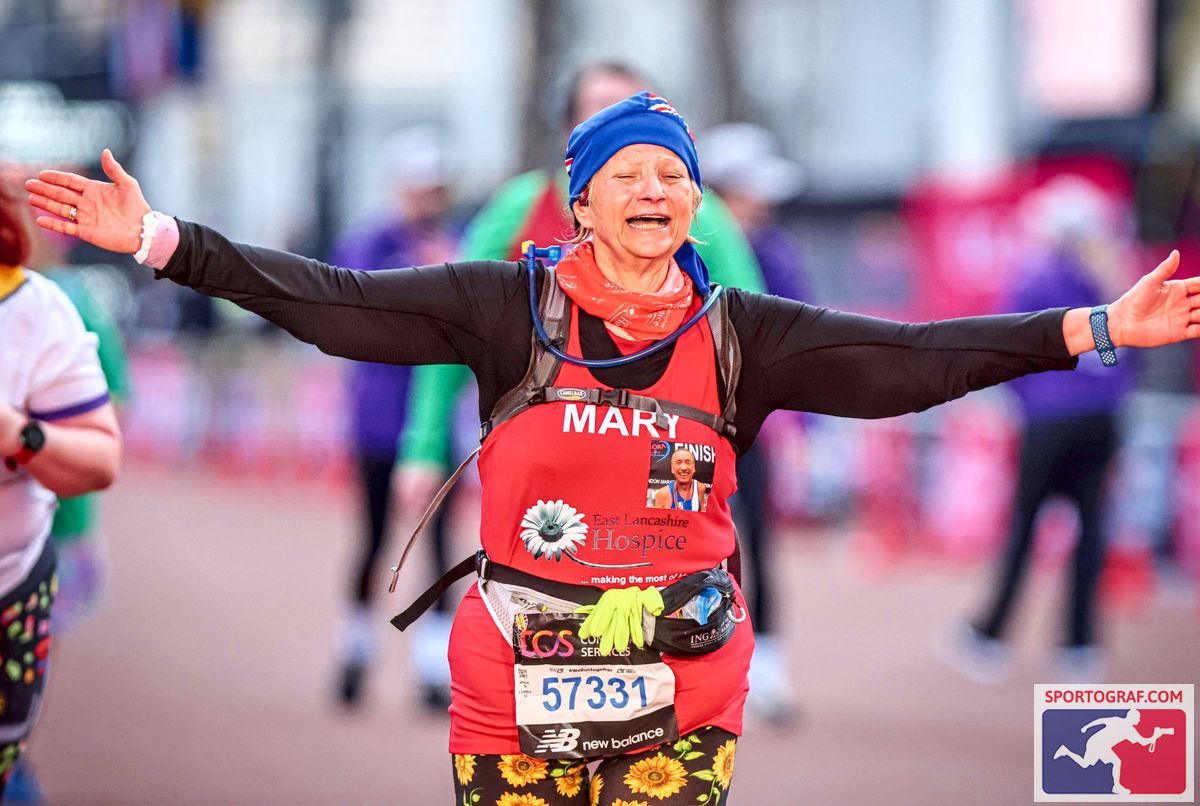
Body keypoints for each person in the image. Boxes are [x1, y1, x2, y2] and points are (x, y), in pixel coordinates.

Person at [26, 93, 1200, 804]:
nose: (657, 188)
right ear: (578, 202)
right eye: (628, 172)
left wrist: (1092, 328)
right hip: (511, 672)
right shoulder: (501, 305)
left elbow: (916, 355)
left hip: (686, 676)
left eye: (675, 174)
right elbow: (333, 298)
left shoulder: (745, 332)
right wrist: (170, 242)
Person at [393, 63, 765, 716]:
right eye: (598, 110)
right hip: (543, 451)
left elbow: (757, 328)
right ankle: (541, 707)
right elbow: (452, 329)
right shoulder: (517, 207)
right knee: (545, 580)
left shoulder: (690, 212)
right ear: (571, 130)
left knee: (657, 594)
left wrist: (740, 427)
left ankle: (657, 707)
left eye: (634, 112)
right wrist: (423, 445)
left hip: (658, 446)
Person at [941, 177, 1133, 684]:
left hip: (1051, 422)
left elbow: (1009, 348)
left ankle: (990, 637)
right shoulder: (1112, 282)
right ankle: (1081, 647)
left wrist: (1029, 403)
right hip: (1102, 420)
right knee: (1091, 531)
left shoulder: (1037, 277)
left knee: (1025, 528)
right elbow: (1118, 360)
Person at [0, 166, 122, 797]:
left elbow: (109, 420)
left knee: (21, 718)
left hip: (51, 538)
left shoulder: (60, 301)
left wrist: (28, 440)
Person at [327, 126, 459, 708]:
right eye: (419, 187)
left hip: (439, 421)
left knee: (441, 543)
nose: (428, 198)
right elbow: (350, 313)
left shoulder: (459, 244)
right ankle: (355, 651)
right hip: (378, 419)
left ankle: (433, 668)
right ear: (399, 187)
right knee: (376, 535)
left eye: (436, 188)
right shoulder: (369, 243)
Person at [702, 121, 810, 727]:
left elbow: (800, 339)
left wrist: (806, 431)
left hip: (755, 428)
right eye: (751, 190)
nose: (763, 203)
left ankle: (766, 670)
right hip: (687, 429)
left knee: (760, 545)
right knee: (686, 549)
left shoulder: (775, 252)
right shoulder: (678, 245)